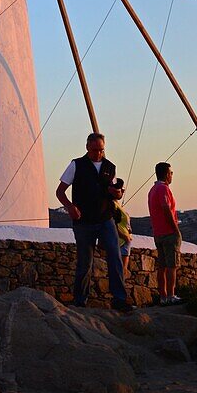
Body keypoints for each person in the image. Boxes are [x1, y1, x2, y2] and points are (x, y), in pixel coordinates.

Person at [55, 133, 132, 313]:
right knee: (85, 261)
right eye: (95, 150)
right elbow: (60, 191)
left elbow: (116, 191)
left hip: (106, 219)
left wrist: (117, 193)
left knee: (115, 257)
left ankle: (119, 299)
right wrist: (70, 207)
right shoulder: (77, 165)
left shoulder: (109, 167)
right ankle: (80, 300)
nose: (99, 153)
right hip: (84, 222)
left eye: (101, 150)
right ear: (87, 148)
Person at [148, 162, 182, 305]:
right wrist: (175, 229)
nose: (172, 175)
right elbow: (166, 208)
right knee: (172, 265)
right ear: (167, 174)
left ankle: (163, 296)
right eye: (171, 173)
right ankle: (170, 295)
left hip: (158, 232)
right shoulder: (163, 189)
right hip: (168, 232)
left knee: (162, 266)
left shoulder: (152, 190)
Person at [110, 178, 132, 277]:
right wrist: (124, 236)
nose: (123, 192)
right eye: (121, 190)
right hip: (121, 241)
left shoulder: (116, 204)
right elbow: (112, 223)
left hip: (123, 241)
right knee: (121, 271)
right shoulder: (112, 205)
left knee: (122, 271)